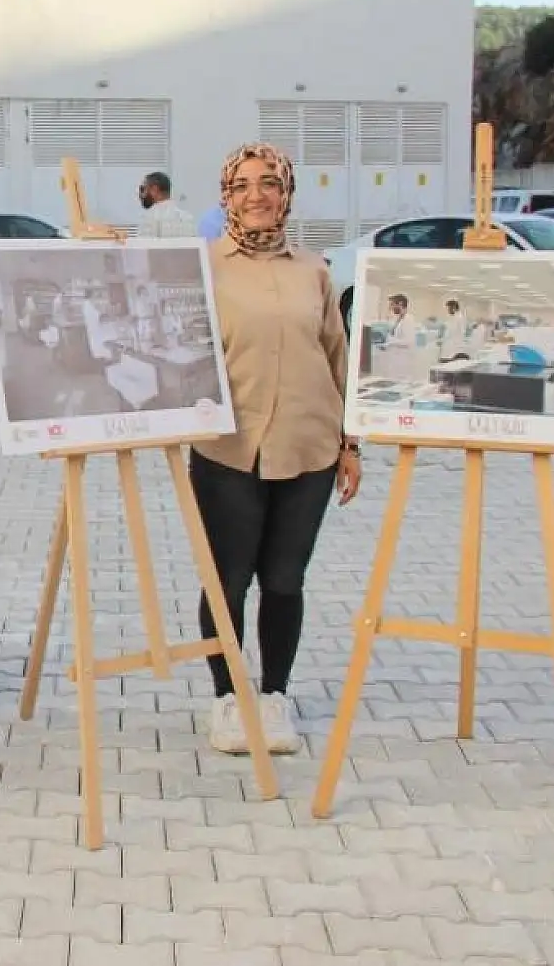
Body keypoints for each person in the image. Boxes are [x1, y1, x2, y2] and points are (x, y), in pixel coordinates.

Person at [192, 142, 361, 755]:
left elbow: (337, 356)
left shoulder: (314, 269)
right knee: (228, 580)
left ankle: (275, 696)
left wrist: (351, 443)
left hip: (309, 446)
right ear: (226, 196)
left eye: (268, 183)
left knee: (285, 580)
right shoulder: (202, 266)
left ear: (286, 191)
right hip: (228, 450)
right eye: (241, 185)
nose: (256, 195)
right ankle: (226, 698)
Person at [137, 172, 196, 238]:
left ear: (154, 189)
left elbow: (143, 245)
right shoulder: (187, 218)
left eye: (142, 189)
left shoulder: (148, 218)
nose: (140, 195)